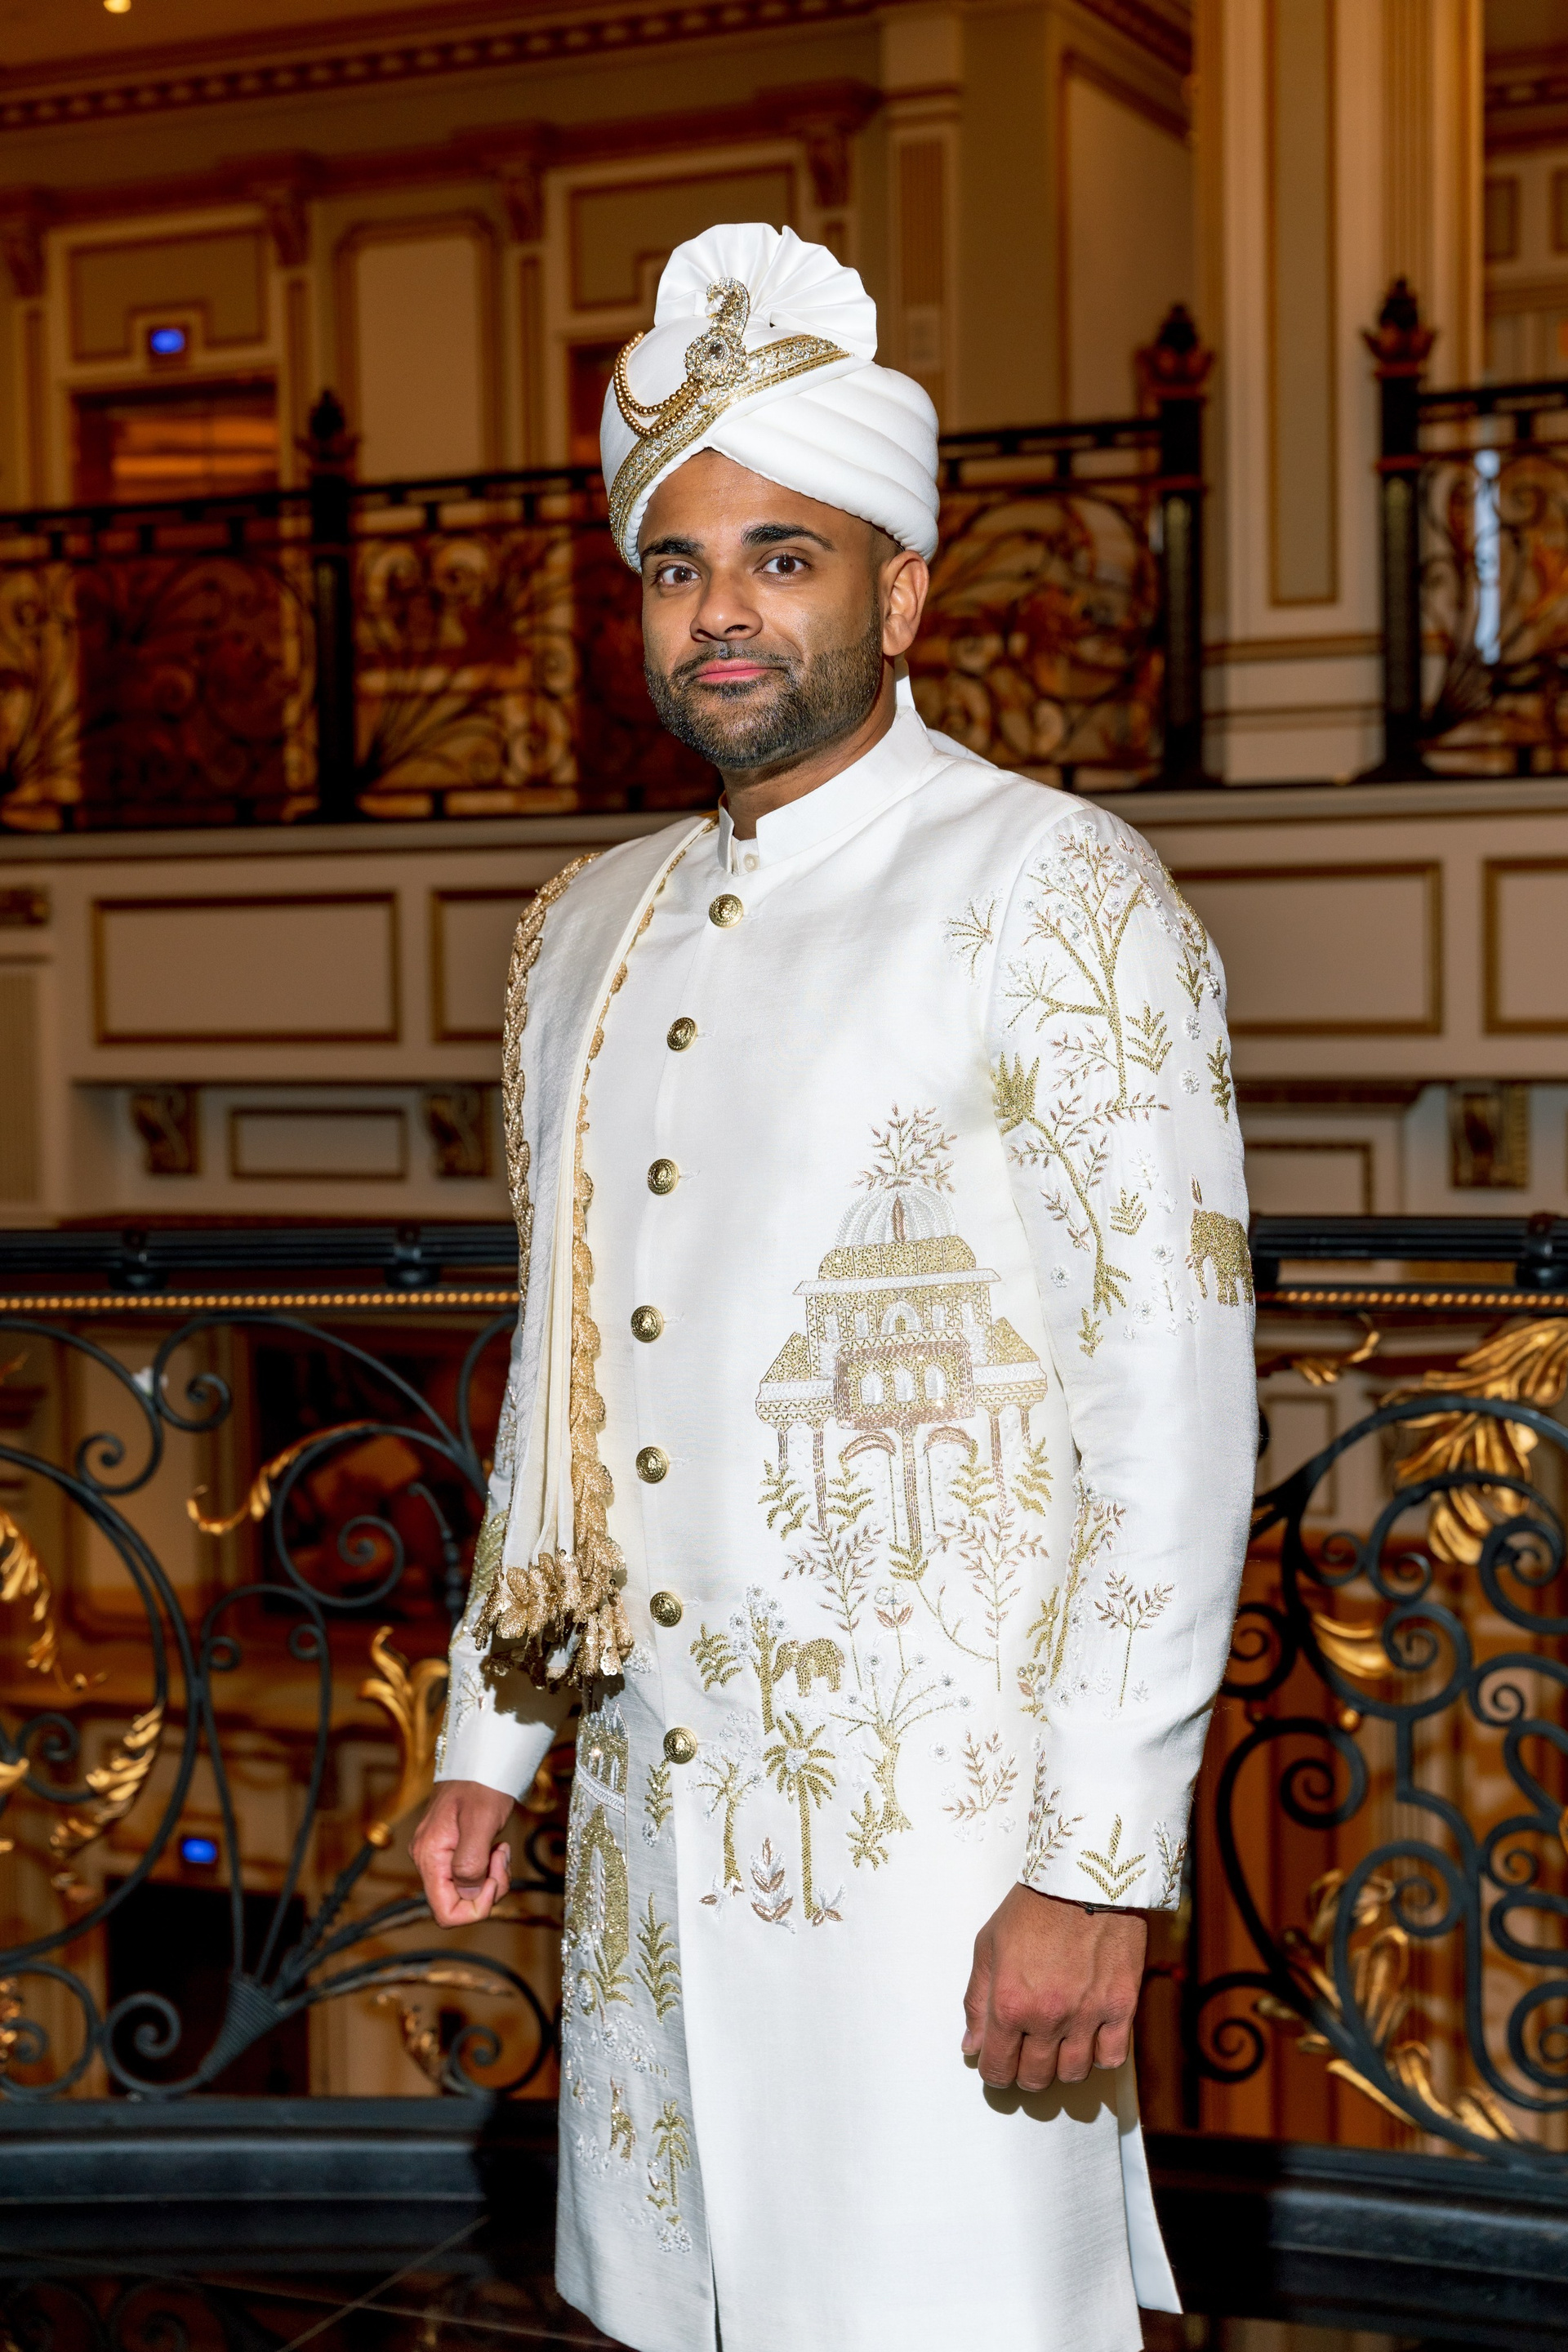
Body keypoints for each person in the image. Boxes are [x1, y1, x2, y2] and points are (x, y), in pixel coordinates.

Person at [411, 220, 1255, 2352]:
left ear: (899, 594)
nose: (722, 612)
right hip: (650, 1842)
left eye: (783, 559)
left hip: (945, 1854)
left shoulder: (1053, 887)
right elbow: (568, 1382)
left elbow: (1168, 1413)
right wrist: (493, 1741)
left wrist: (1097, 1863)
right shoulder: (579, 930)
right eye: (677, 566)